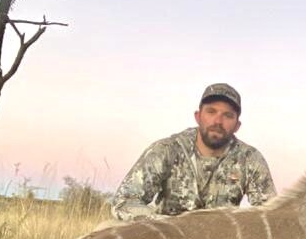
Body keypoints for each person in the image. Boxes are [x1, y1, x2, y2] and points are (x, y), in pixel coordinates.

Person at [112, 83, 277, 220]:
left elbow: (270, 216)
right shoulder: (166, 150)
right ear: (198, 116)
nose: (218, 121)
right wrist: (172, 228)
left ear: (237, 126)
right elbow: (124, 202)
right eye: (211, 112)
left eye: (227, 115)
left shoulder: (250, 159)